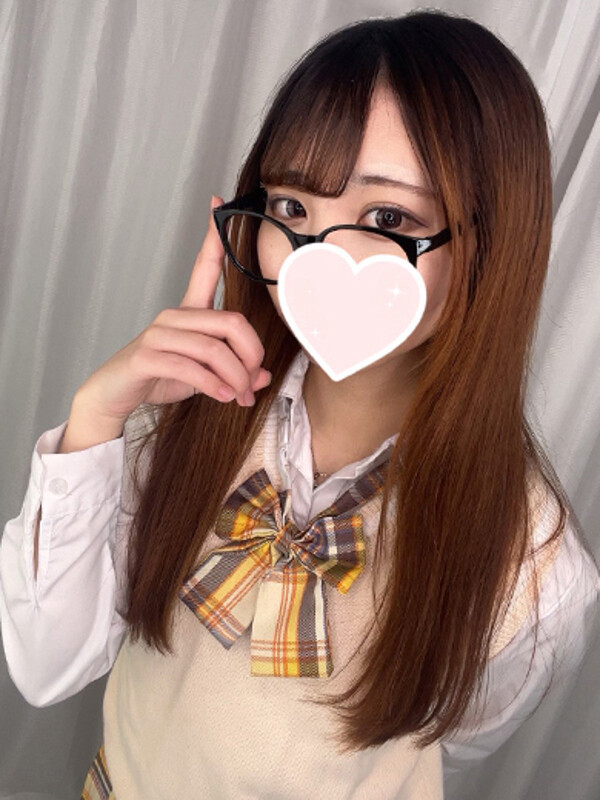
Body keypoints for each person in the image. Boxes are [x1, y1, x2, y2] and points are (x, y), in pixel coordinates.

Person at [1, 10, 598, 800]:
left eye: (388, 219)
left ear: (492, 243)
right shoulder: (183, 420)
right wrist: (95, 417)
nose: (319, 258)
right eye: (290, 209)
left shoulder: (535, 568)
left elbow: (451, 743)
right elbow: (44, 668)